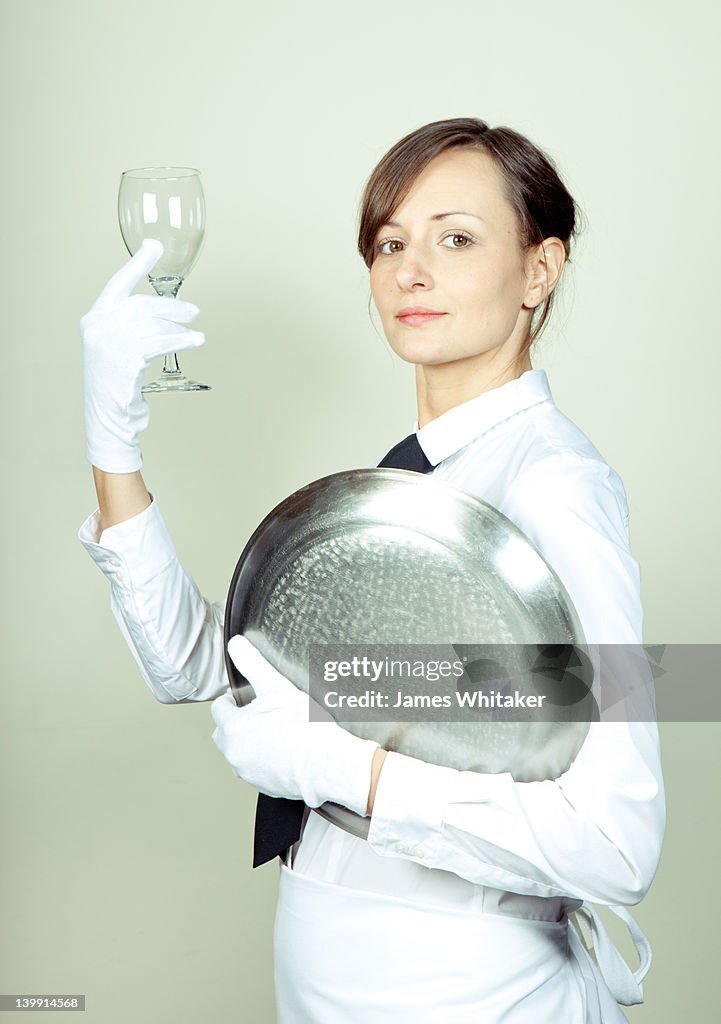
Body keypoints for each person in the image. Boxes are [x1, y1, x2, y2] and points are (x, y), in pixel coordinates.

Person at [78, 117, 665, 1022]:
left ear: (539, 271)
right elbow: (203, 672)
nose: (409, 270)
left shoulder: (553, 490)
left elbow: (616, 846)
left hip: (476, 994)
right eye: (389, 242)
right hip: (331, 981)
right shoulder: (412, 489)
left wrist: (336, 765)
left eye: (456, 239)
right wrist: (112, 445)